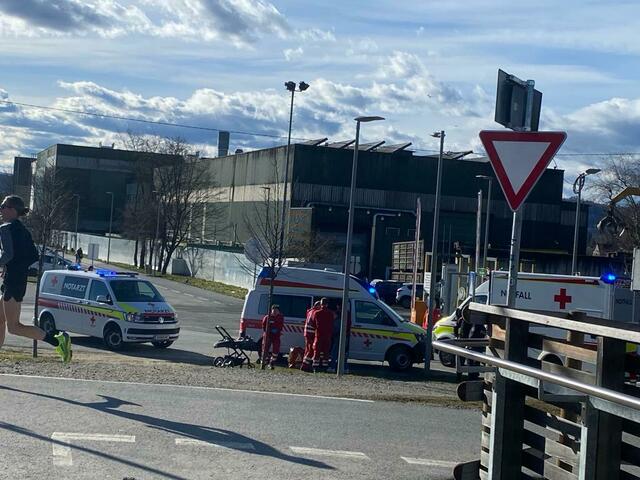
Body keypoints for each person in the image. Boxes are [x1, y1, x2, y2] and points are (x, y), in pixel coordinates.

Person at [0, 195, 72, 362]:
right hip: (17, 279)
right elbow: (32, 255)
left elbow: (8, 254)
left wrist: (6, 264)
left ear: (12, 210)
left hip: (13, 282)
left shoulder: (5, 228)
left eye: (3, 206)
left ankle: (57, 340)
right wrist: (12, 267)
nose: (1, 210)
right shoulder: (22, 229)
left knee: (14, 327)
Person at [311, 297, 335, 373]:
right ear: (327, 304)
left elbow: (313, 323)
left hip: (318, 334)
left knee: (316, 351)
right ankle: (325, 367)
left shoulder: (316, 313)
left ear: (321, 304)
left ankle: (315, 367)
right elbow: (332, 324)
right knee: (326, 352)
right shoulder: (331, 313)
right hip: (327, 335)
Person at [328, 303, 351, 373]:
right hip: (346, 335)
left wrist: (331, 334)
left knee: (334, 352)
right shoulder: (348, 314)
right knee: (343, 353)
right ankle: (345, 368)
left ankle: (332, 367)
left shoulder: (340, 315)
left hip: (339, 336)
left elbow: (336, 328)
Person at [261, 304, 284, 370]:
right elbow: (263, 326)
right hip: (268, 335)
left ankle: (272, 363)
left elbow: (280, 325)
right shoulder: (267, 317)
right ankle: (264, 362)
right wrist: (269, 331)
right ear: (271, 310)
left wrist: (277, 330)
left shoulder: (280, 317)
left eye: (277, 310)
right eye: (274, 310)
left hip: (276, 336)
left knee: (276, 350)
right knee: (265, 348)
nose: (275, 312)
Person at [301, 301, 320, 372]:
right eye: (320, 306)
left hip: (307, 333)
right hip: (311, 333)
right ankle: (304, 365)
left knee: (307, 349)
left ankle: (306, 365)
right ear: (317, 306)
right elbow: (315, 323)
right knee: (311, 350)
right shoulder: (315, 312)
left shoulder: (310, 311)